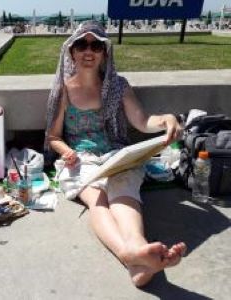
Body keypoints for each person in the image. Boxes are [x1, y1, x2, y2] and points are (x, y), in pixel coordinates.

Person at [45, 21, 187, 287]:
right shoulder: (64, 90)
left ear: (105, 53)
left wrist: (166, 119)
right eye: (81, 44)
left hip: (115, 153)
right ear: (71, 52)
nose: (89, 51)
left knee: (123, 190)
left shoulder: (118, 86)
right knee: (97, 199)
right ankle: (130, 256)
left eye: (96, 45)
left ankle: (137, 251)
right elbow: (53, 137)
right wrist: (67, 152)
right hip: (81, 158)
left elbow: (142, 122)